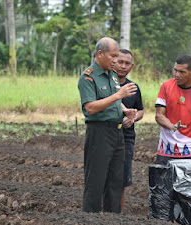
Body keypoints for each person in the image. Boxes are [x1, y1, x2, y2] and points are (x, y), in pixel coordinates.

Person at [78, 37, 138, 213]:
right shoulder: (88, 78)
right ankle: (90, 219)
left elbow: (113, 102)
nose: (116, 61)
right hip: (99, 133)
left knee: (115, 181)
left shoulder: (112, 75)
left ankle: (113, 219)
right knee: (95, 180)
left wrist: (126, 110)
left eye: (117, 56)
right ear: (100, 54)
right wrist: (119, 96)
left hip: (117, 133)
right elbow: (90, 107)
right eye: (113, 56)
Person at [155, 54, 191, 165]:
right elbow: (159, 115)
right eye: (175, 70)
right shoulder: (166, 87)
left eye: (182, 72)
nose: (177, 75)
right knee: (162, 182)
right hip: (167, 149)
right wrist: (172, 126)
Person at [115, 49, 144, 210]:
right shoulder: (106, 85)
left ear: (131, 66)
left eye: (127, 63)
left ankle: (118, 213)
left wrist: (133, 117)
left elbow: (140, 110)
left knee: (123, 177)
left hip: (127, 137)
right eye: (120, 62)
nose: (123, 66)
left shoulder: (133, 88)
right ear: (114, 62)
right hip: (106, 134)